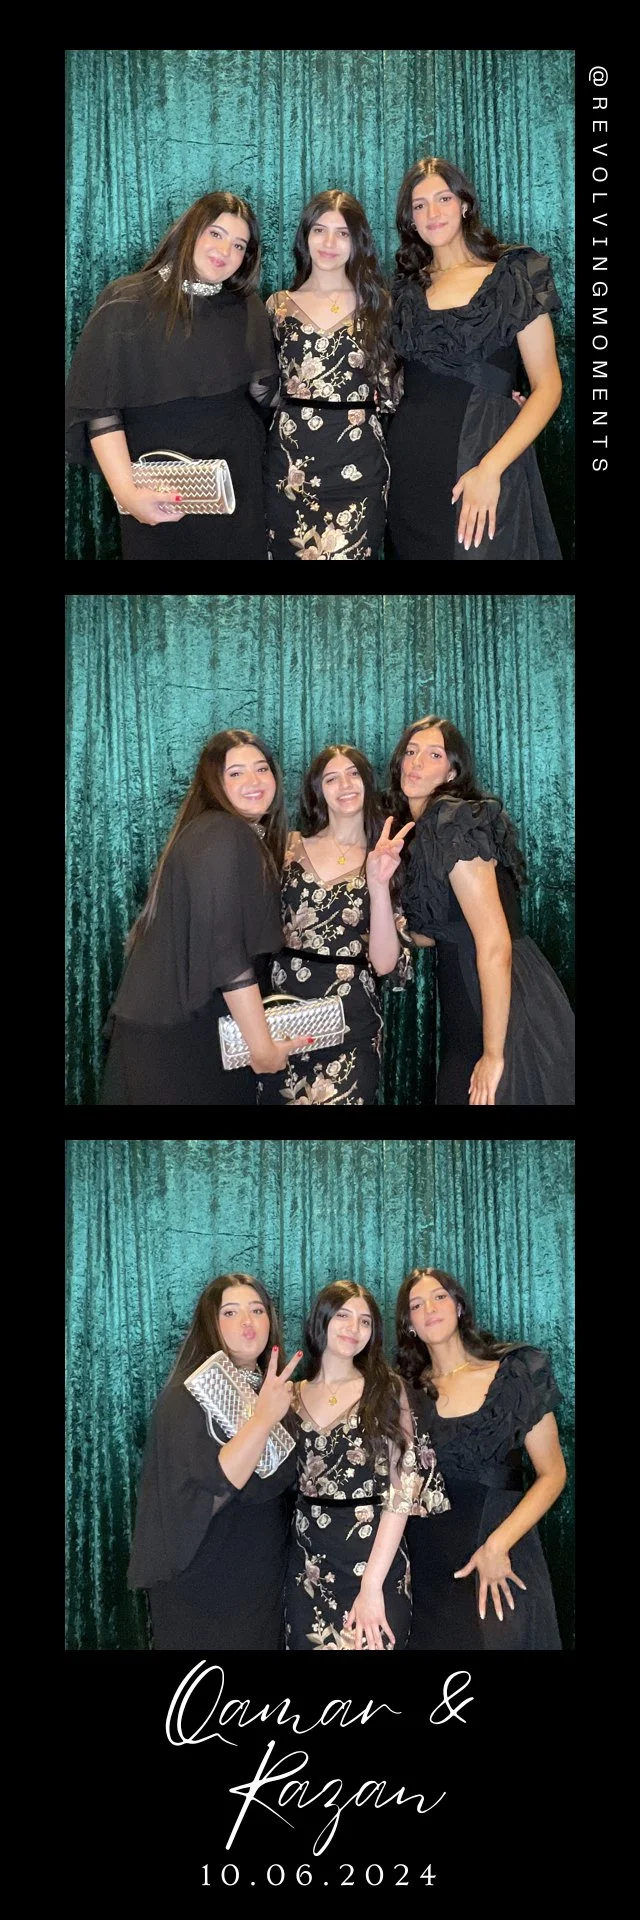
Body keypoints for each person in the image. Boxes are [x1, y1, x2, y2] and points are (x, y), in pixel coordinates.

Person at [99, 729, 312, 1105]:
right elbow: (226, 951)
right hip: (180, 1045)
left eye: (262, 769)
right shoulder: (224, 833)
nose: (254, 781)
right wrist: (262, 1048)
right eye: (235, 773)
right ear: (213, 783)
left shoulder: (217, 833)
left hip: (177, 1035)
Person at [65, 191, 278, 559]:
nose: (225, 250)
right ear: (189, 231)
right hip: (157, 486)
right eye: (215, 233)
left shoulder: (248, 308)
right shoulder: (126, 300)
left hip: (239, 486)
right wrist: (128, 495)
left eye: (239, 245)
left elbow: (264, 398)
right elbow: (100, 413)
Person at [388, 715, 575, 1105]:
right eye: (410, 751)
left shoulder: (450, 821)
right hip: (472, 1000)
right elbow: (441, 931)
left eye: (433, 754)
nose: (416, 762)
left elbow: (493, 941)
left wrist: (493, 1054)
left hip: (502, 1001)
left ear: (452, 770)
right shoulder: (426, 831)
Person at [386, 156, 564, 560]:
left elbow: (548, 386)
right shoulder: (404, 291)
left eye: (443, 198)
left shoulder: (514, 273)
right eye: (419, 205)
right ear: (410, 219)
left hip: (485, 461)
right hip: (410, 471)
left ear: (464, 204)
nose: (432, 213)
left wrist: (490, 469)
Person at [395, 1268, 567, 1650]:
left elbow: (552, 1472)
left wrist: (497, 1546)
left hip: (500, 1558)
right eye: (417, 1305)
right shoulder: (404, 1393)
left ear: (458, 1306)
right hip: (426, 1572)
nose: (430, 1309)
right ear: (410, 1324)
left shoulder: (516, 1372)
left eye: (439, 1297)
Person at [128, 1274, 303, 1650]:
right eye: (231, 1312)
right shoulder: (186, 1397)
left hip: (263, 1580)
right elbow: (224, 1479)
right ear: (212, 1322)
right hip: (203, 1580)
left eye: (258, 1311)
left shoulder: (273, 1391)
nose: (248, 1322)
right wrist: (263, 1417)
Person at [285, 1282, 449, 1650]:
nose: (353, 1329)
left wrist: (372, 1585)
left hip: (374, 1560)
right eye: (343, 1315)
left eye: (365, 1321)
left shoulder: (388, 1389)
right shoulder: (291, 1395)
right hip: (307, 1564)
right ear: (321, 1320)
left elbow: (403, 1490)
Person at [258, 746, 414, 1106]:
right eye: (332, 777)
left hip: (351, 1026)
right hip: (284, 1018)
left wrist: (377, 883)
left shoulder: (386, 857)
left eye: (354, 774)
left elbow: (387, 964)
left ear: (368, 783)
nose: (345, 784)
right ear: (318, 790)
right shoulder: (288, 847)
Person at [264, 191, 394, 559]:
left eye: (342, 233)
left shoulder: (378, 305)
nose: (329, 242)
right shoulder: (277, 306)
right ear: (305, 236)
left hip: (360, 466)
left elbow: (394, 388)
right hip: (290, 467)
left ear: (358, 242)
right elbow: (262, 386)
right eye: (320, 230)